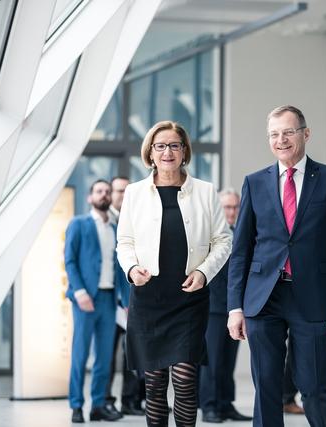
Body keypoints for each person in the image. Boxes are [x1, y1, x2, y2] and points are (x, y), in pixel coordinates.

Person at [227, 105, 326, 427]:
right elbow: (241, 249)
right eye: (274, 134)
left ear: (306, 134)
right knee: (267, 387)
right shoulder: (254, 182)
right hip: (263, 297)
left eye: (288, 132)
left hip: (312, 297)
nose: (281, 140)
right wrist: (235, 306)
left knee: (314, 385)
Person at [116, 120, 232, 427]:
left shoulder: (205, 192)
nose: (168, 152)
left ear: (184, 152)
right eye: (161, 145)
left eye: (174, 145)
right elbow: (124, 242)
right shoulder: (134, 193)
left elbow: (224, 240)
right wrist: (130, 268)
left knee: (184, 381)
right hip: (148, 298)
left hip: (189, 298)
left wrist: (205, 272)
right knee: (153, 386)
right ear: (150, 153)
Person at [64, 179, 127, 423]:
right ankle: (77, 406)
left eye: (107, 192)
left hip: (109, 299)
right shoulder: (78, 224)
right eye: (99, 191)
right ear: (90, 197)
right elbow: (70, 260)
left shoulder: (115, 227)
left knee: (104, 358)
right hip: (85, 299)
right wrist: (79, 292)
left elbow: (120, 268)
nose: (104, 194)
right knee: (80, 355)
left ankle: (98, 405)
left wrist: (126, 300)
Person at [199, 188, 252, 423]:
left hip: (235, 307)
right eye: (227, 207)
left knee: (228, 360)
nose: (231, 212)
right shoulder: (207, 235)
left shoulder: (243, 233)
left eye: (235, 207)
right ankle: (209, 406)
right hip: (212, 307)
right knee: (211, 361)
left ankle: (225, 404)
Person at [105, 176, 146, 417]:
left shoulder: (134, 221)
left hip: (133, 297)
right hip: (111, 301)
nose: (122, 195)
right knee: (108, 357)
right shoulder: (105, 222)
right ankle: (106, 401)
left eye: (126, 191)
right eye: (118, 191)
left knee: (135, 354)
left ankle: (132, 401)